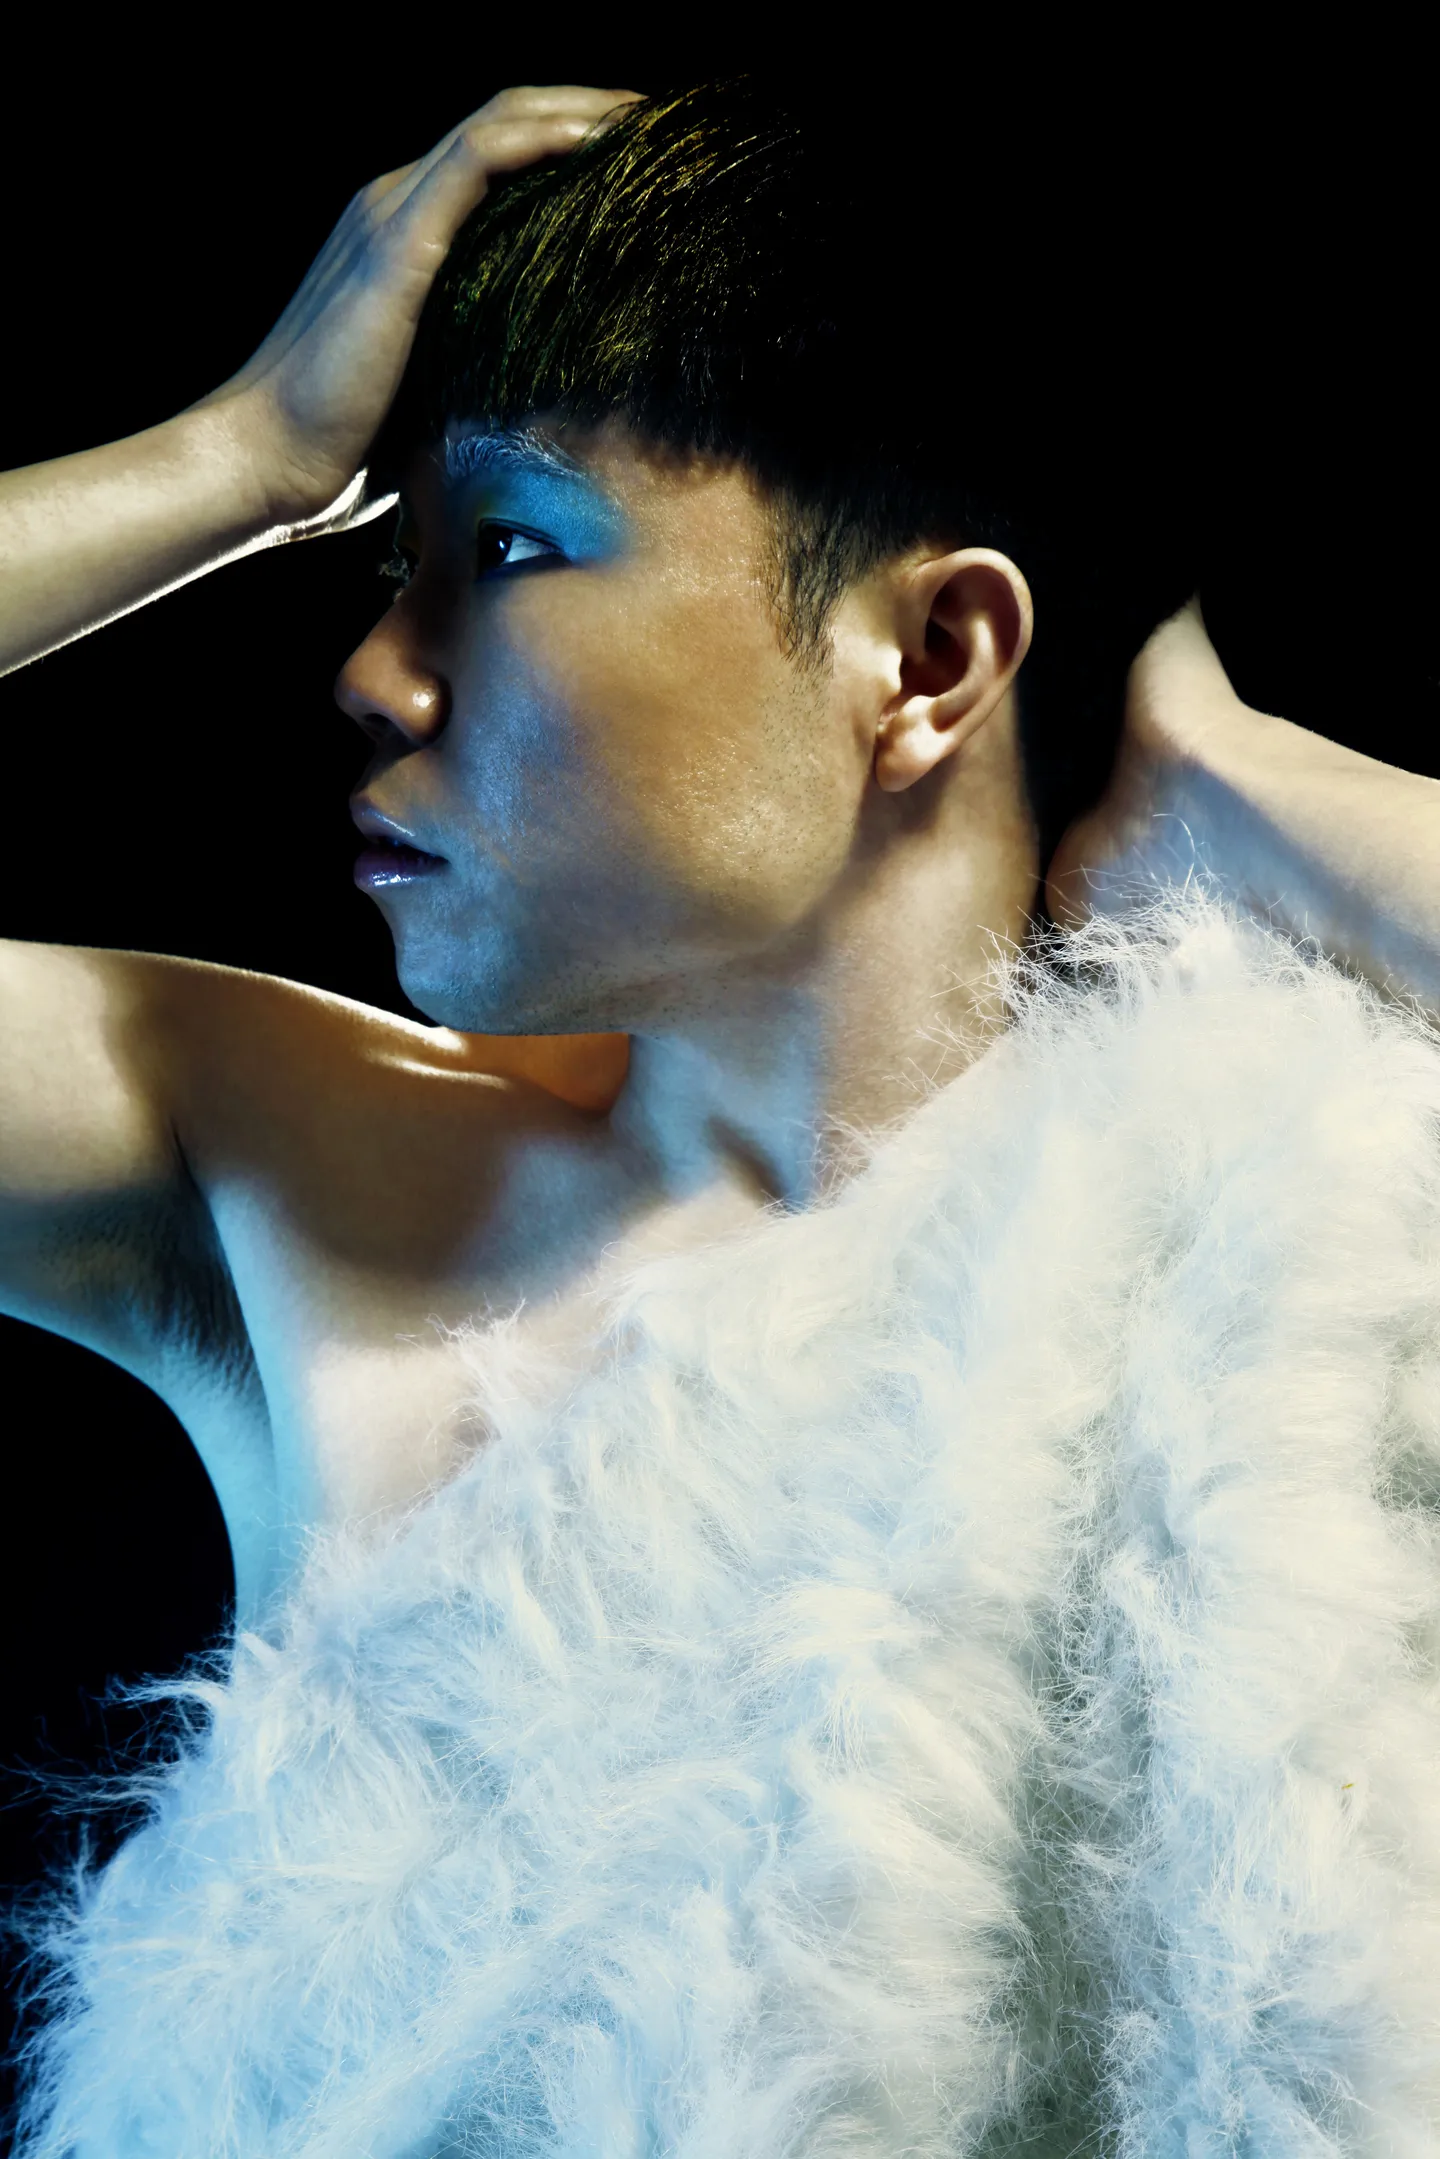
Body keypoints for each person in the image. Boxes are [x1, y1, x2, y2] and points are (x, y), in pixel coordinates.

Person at [5, 78, 1440, 2156]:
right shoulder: (302, 1179)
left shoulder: (1285, 1209)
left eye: (506, 546)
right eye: (384, 560)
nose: (375, 671)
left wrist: (1253, 778)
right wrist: (222, 465)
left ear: (932, 656)